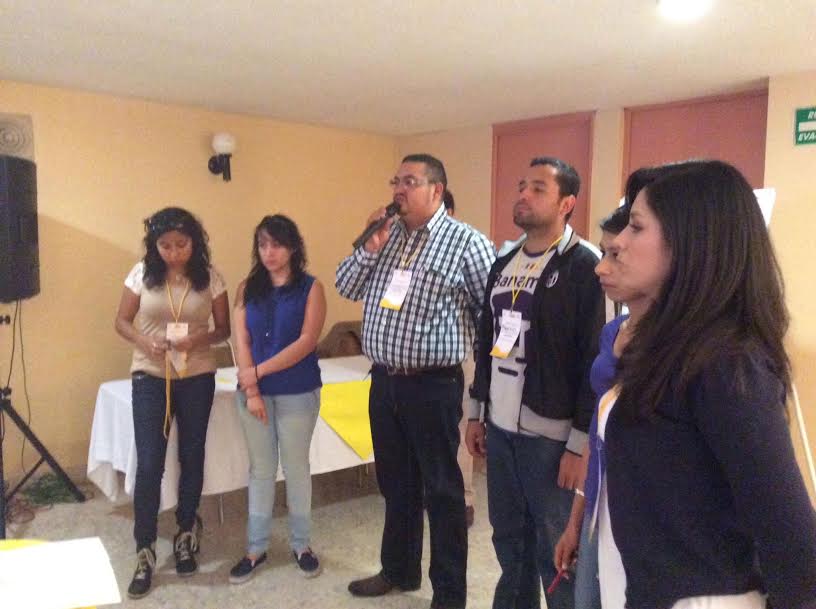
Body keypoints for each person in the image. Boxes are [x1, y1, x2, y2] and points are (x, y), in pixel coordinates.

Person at [604, 160, 816, 609]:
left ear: (689, 242)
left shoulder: (727, 363)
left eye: (636, 227)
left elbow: (789, 533)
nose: (617, 243)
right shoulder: (670, 349)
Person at [336, 154, 495, 609]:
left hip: (433, 386)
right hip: (384, 382)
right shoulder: (386, 238)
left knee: (442, 492)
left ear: (436, 190)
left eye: (410, 181)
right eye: (396, 181)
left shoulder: (466, 243)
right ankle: (399, 570)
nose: (398, 190)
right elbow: (345, 286)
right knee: (395, 484)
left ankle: (449, 594)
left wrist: (482, 392)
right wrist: (369, 246)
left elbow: (490, 316)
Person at [467, 157, 604, 609]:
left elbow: (594, 361)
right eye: (521, 186)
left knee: (557, 551)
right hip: (501, 430)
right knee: (509, 540)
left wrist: (579, 445)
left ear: (567, 203)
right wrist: (477, 413)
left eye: (538, 189)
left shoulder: (585, 266)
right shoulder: (504, 261)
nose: (523, 194)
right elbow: (487, 339)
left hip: (553, 438)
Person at [553, 166, 669, 609]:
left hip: (644, 521)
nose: (601, 267)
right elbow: (600, 437)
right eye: (603, 252)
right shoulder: (612, 332)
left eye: (615, 253)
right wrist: (576, 520)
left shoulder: (687, 350)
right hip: (599, 508)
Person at [114, 207, 229, 599]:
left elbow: (223, 329)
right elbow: (121, 321)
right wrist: (144, 340)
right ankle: (144, 547)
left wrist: (197, 339)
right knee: (150, 463)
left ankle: (185, 533)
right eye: (165, 245)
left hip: (196, 375)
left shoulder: (210, 277)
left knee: (192, 455)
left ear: (195, 242)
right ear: (154, 245)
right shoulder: (140, 273)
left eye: (181, 244)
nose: (174, 252)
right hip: (150, 375)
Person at [228, 214, 327, 583]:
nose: (269, 252)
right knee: (261, 469)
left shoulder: (311, 288)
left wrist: (257, 372)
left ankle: (302, 545)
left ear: (293, 247)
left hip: (297, 390)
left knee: (296, 467)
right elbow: (242, 341)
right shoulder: (247, 288)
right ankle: (256, 548)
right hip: (254, 395)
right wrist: (252, 388)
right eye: (262, 245)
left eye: (277, 244)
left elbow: (307, 342)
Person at [443, 188, 476, 528]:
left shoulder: (467, 250)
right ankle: (435, 493)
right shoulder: (411, 253)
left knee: (461, 429)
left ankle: (464, 499)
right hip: (425, 366)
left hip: (462, 356)